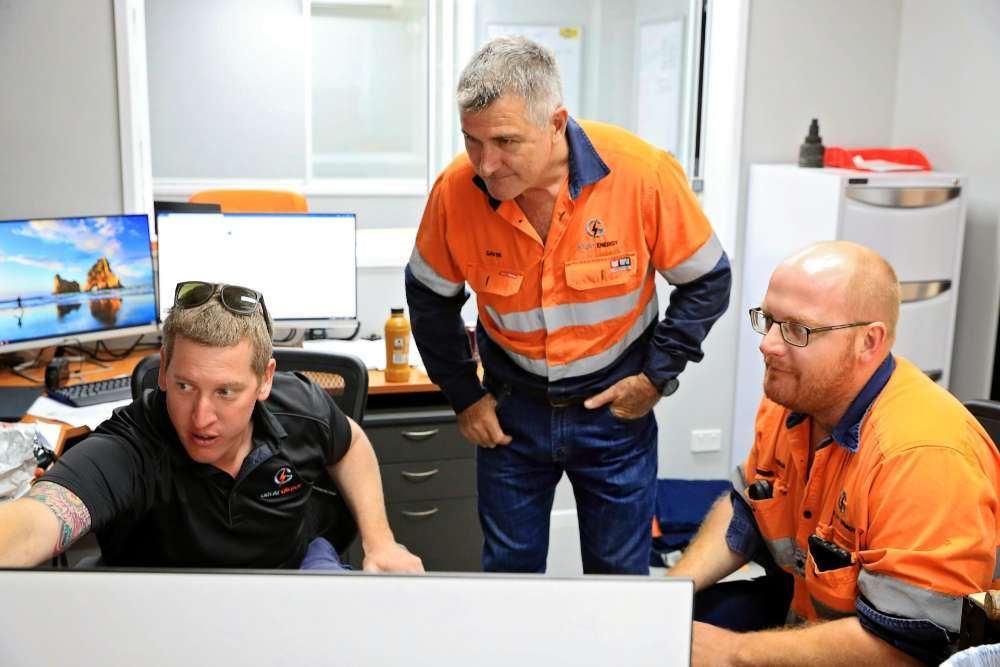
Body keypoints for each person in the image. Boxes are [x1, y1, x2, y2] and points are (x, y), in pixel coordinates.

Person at [405, 36, 731, 575]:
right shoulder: (455, 191)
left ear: (555, 123)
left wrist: (656, 376)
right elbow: (428, 296)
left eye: (506, 141)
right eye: (472, 141)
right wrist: (464, 395)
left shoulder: (640, 174)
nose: (486, 164)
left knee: (619, 576)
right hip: (511, 414)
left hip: (615, 413)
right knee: (509, 574)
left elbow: (708, 279)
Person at [670, 241, 1000, 666]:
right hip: (809, 613)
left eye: (797, 329)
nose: (768, 345)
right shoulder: (794, 396)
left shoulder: (922, 456)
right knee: (674, 629)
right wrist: (668, 594)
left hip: (894, 648)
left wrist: (735, 653)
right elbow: (747, 511)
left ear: (869, 341)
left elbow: (909, 646)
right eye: (768, 321)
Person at [0, 281, 424, 573]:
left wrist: (380, 539)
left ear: (265, 379)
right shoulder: (130, 445)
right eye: (185, 386)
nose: (201, 417)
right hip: (172, 601)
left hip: (289, 577)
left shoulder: (299, 406)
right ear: (163, 371)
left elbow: (350, 443)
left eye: (226, 392)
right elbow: (38, 522)